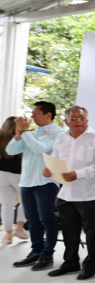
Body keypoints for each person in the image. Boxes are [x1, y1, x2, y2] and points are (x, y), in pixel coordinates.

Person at [42, 106, 95, 280]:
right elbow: (56, 161)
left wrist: (78, 174)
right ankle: (71, 262)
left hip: (90, 194)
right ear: (66, 121)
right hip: (66, 193)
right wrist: (50, 171)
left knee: (92, 233)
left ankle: (92, 265)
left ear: (87, 120)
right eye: (74, 118)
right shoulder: (61, 138)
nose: (78, 121)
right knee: (69, 232)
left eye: (82, 118)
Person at [6, 101, 61, 270]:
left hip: (46, 182)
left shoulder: (58, 133)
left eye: (36, 113)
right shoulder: (33, 132)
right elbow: (11, 150)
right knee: (32, 220)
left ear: (48, 115)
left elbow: (41, 149)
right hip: (27, 182)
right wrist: (18, 134)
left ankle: (47, 254)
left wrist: (25, 133)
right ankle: (36, 251)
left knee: (47, 219)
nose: (32, 116)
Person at [0, 117, 29, 244]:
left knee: (6, 205)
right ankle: (19, 228)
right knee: (25, 201)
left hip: (1, 173)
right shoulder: (22, 136)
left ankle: (8, 235)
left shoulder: (1, 136)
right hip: (19, 174)